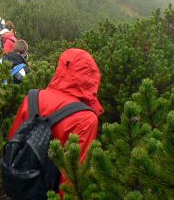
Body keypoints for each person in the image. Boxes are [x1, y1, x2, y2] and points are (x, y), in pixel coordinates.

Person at [8, 48, 103, 191]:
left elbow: (12, 141)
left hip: (18, 184)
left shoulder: (33, 97)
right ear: (92, 77)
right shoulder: (86, 118)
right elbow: (73, 178)